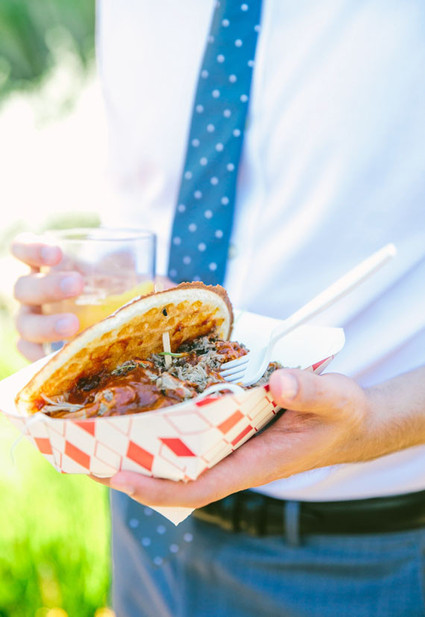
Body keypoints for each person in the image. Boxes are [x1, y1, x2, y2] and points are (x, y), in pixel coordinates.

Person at [10, 1, 425, 616]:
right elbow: (145, 204)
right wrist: (86, 315)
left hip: (362, 556)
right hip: (142, 530)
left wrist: (375, 422)